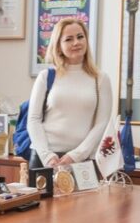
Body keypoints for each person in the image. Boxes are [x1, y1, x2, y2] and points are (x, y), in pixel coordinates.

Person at [26, 17, 111, 169]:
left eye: (80, 37)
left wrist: (76, 155)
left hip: (82, 161)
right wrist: (47, 157)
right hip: (45, 160)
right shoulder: (46, 76)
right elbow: (33, 119)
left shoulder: (100, 79)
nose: (76, 43)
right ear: (58, 46)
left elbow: (102, 123)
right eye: (68, 39)